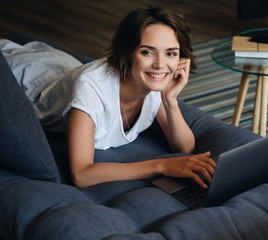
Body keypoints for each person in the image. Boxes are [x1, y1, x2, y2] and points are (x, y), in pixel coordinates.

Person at [1, 6, 216, 188]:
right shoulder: (90, 89)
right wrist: (162, 165)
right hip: (34, 80)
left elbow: (184, 149)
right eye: (147, 52)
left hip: (67, 67)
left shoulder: (156, 84)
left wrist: (170, 101)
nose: (160, 64)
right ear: (128, 52)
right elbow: (81, 174)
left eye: (171, 53)